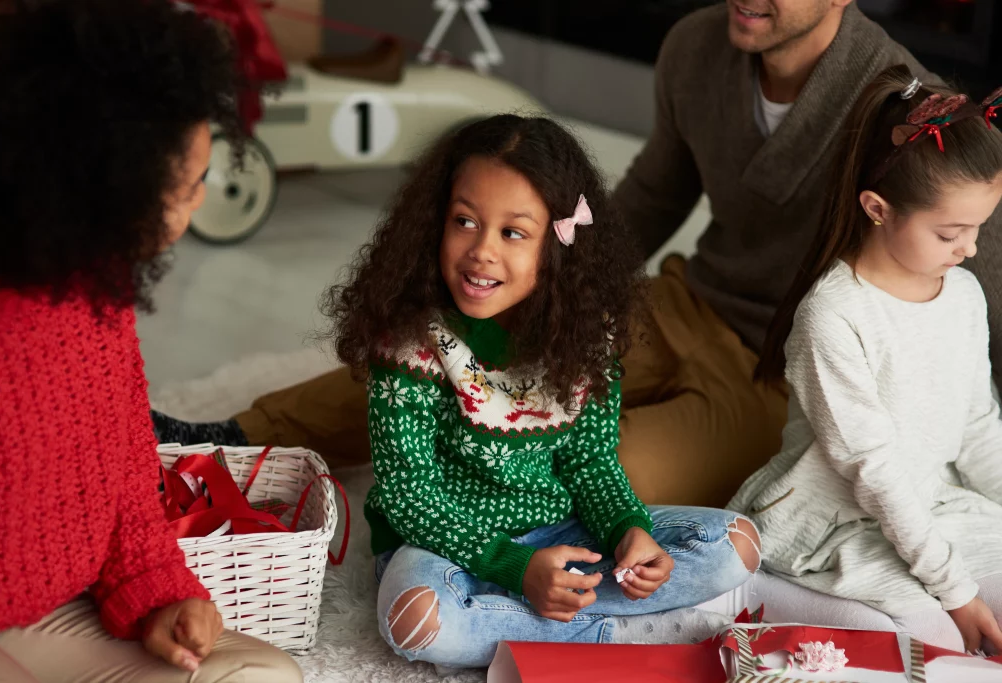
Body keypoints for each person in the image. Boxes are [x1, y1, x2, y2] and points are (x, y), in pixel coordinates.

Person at [152, 1, 1002, 514]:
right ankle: (236, 436)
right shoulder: (696, 48)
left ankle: (453, 502)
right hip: (686, 302)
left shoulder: (901, 106)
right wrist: (542, 283)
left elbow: (969, 266)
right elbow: (653, 193)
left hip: (784, 373)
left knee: (594, 473)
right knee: (451, 346)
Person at [325, 114, 762, 669]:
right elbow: (412, 498)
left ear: (556, 249)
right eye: (464, 221)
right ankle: (609, 629)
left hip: (561, 531)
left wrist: (629, 530)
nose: (481, 251)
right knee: (416, 620)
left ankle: (531, 618)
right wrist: (515, 568)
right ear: (434, 221)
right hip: (445, 548)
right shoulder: (411, 341)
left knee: (737, 546)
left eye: (512, 233)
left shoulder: (582, 337)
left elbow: (590, 462)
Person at [0, 1, 301, 680]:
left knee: (261, 675)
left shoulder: (100, 286)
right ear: (105, 185)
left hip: (51, 607)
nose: (195, 207)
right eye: (185, 189)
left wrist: (158, 593)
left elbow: (122, 455)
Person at [729, 66, 1002, 654]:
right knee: (935, 647)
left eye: (979, 227)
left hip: (933, 500)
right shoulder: (833, 316)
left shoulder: (963, 293)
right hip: (833, 524)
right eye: (952, 232)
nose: (971, 248)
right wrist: (955, 592)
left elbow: (978, 424)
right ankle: (753, 589)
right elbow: (873, 472)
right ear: (878, 209)